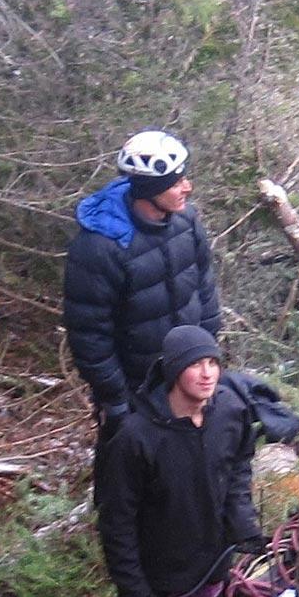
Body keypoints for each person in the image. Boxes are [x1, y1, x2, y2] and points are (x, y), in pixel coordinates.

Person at [95, 326, 261, 597]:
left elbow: (238, 465)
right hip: (158, 580)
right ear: (172, 372)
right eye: (195, 365)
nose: (207, 373)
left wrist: (241, 519)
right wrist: (132, 584)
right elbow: (116, 518)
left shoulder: (230, 413)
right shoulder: (135, 438)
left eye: (212, 363)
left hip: (210, 566)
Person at [64, 130, 222, 443]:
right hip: (135, 390)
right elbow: (89, 334)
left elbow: (204, 286)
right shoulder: (100, 245)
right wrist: (116, 399)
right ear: (149, 189)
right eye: (176, 182)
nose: (187, 188)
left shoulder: (186, 221)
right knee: (134, 484)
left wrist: (207, 353)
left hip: (188, 377)